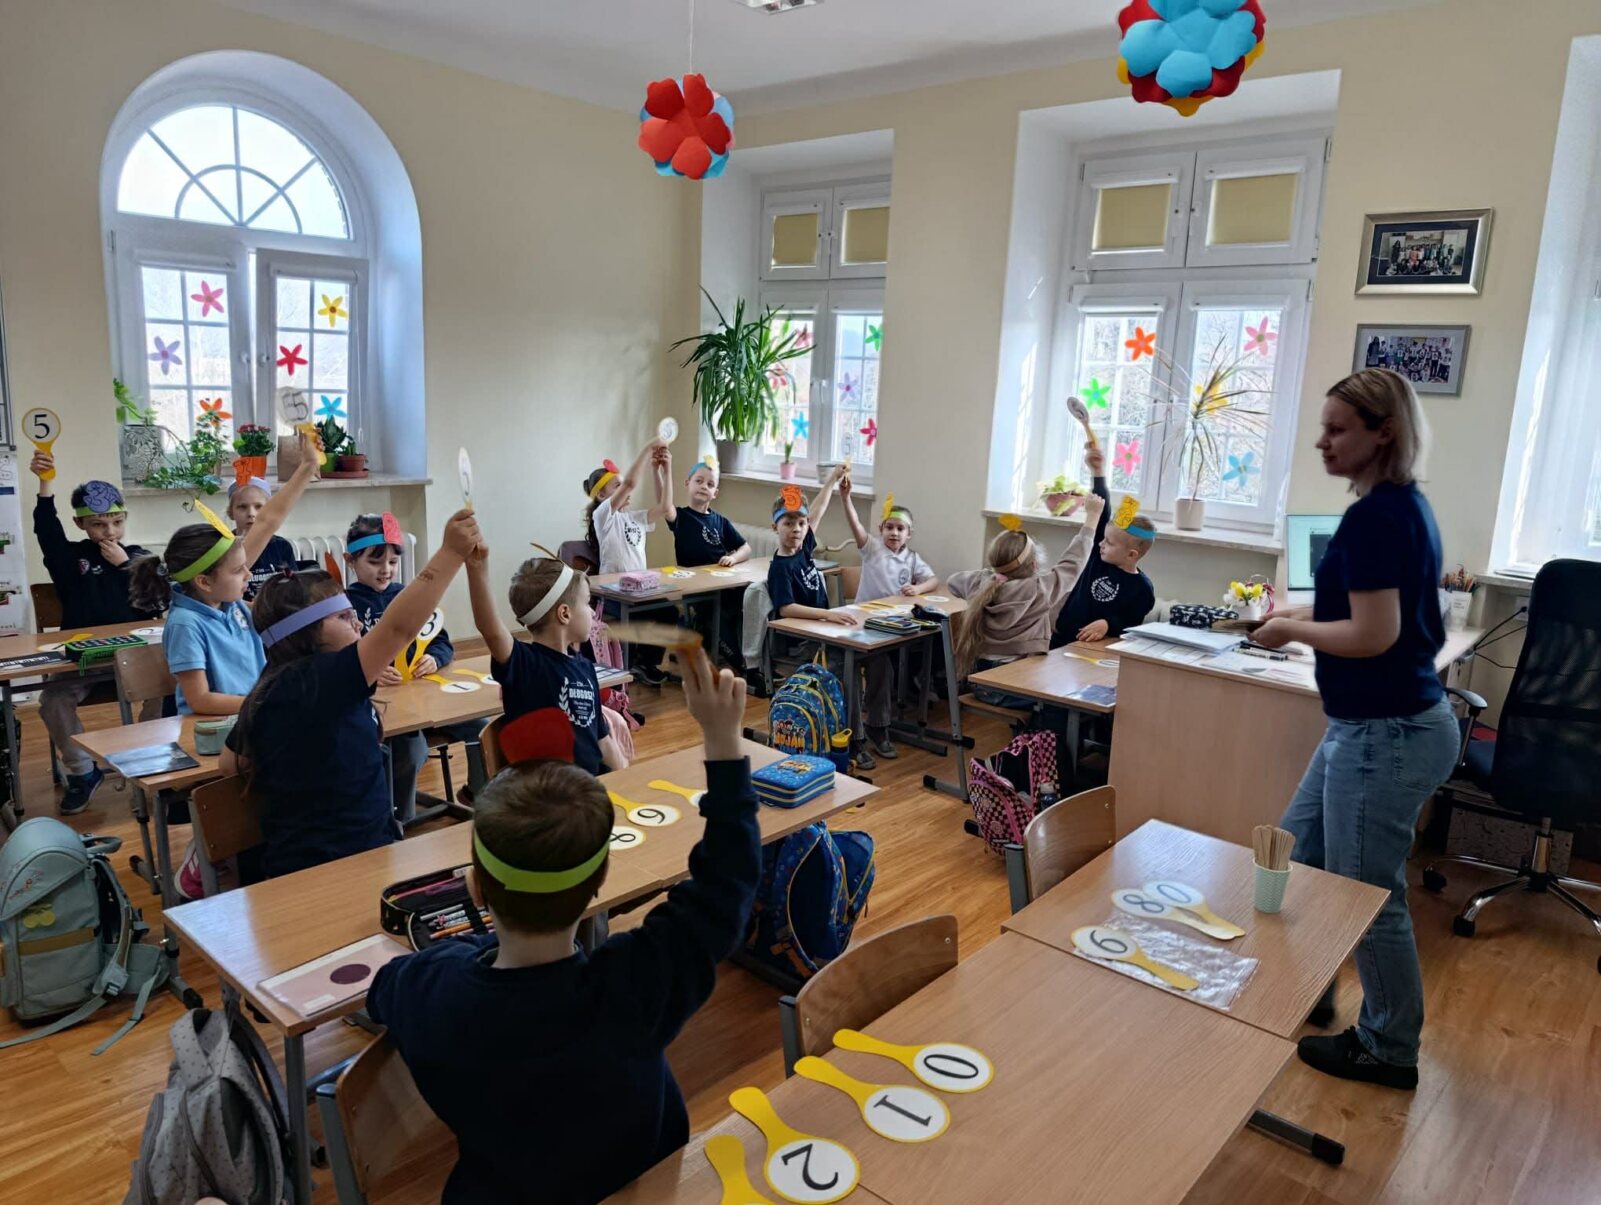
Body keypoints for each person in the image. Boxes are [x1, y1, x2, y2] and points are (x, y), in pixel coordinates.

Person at [368, 646, 759, 1204]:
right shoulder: (635, 988)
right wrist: (723, 743)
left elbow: (385, 988)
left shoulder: (431, 988)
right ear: (599, 883)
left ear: (476, 886)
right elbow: (727, 884)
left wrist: (465, 951)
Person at [1252, 368, 1458, 1090]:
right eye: (1323, 427)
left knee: (1367, 896)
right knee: (1296, 853)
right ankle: (1307, 987)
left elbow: (1374, 634)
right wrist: (1291, 616)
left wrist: (1290, 632)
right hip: (1373, 727)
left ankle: (1388, 1045)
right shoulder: (1399, 507)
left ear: (1383, 432)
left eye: (1337, 429)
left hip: (1384, 733)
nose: (1322, 442)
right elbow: (1368, 616)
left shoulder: (1376, 518)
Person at [220, 509, 483, 877]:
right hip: (331, 866)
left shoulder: (279, 679)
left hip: (357, 852)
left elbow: (230, 763)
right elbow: (399, 629)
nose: (357, 623)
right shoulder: (315, 680)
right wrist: (451, 553)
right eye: (344, 617)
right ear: (305, 632)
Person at [131, 433, 321, 716]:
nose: (248, 574)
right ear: (204, 582)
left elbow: (268, 521)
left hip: (249, 718)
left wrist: (308, 466)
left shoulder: (231, 605)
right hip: (212, 727)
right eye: (237, 570)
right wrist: (269, 703)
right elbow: (201, 701)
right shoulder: (186, 624)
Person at [30, 461, 159, 812]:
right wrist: (45, 485)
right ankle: (83, 771)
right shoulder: (71, 559)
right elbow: (47, 532)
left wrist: (126, 566)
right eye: (99, 524)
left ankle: (150, 755)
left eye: (116, 522)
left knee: (170, 685)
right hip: (83, 663)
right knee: (52, 700)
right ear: (81, 524)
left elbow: (158, 601)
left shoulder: (139, 558)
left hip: (133, 660)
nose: (109, 532)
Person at [343, 512, 489, 821]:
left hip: (424, 698)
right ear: (350, 561)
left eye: (393, 562)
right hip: (386, 709)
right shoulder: (344, 605)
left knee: (480, 726)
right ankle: (400, 818)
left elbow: (441, 641)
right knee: (411, 750)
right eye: (375, 562)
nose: (385, 570)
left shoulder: (408, 596)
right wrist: (368, 670)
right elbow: (342, 656)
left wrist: (435, 658)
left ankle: (478, 793)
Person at [467, 549, 626, 775]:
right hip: (544, 790)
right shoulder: (524, 663)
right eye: (587, 603)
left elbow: (603, 741)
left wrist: (625, 776)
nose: (592, 613)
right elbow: (489, 628)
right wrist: (477, 568)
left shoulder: (586, 668)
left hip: (590, 786)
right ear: (564, 614)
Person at [948, 494, 1105, 681]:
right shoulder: (1039, 590)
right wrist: (1092, 517)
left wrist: (990, 575)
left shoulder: (979, 582)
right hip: (1018, 682)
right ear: (1034, 565)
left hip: (978, 680)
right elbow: (1074, 561)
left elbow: (952, 582)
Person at [839, 480, 937, 759]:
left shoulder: (911, 558)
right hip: (862, 624)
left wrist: (918, 588)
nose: (894, 533)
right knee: (879, 664)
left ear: (909, 533)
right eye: (889, 527)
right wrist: (846, 498)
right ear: (880, 529)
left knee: (884, 666)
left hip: (891, 626)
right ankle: (867, 728)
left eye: (900, 528)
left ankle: (878, 725)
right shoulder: (871, 548)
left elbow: (933, 580)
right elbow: (855, 524)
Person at [1050, 446, 1156, 647]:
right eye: (1103, 538)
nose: (1101, 543)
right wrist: (1098, 472)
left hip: (1095, 648)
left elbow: (1131, 621)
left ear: (1131, 554)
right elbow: (1102, 513)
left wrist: (1108, 624)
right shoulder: (1098, 558)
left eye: (1109, 542)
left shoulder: (1142, 589)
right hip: (1061, 639)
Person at [584, 440, 671, 685]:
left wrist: (662, 469)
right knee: (637, 617)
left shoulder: (635, 518)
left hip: (640, 591)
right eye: (617, 486)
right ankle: (629, 664)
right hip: (613, 594)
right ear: (601, 495)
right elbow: (632, 482)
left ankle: (646, 662)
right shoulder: (603, 516)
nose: (626, 489)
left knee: (669, 612)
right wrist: (648, 448)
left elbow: (665, 507)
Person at [663, 452, 750, 666]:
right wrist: (665, 469)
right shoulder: (681, 517)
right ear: (687, 483)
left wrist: (733, 558)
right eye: (699, 481)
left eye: (710, 484)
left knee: (751, 597)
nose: (704, 486)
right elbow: (666, 507)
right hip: (698, 588)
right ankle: (739, 663)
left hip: (723, 584)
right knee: (713, 612)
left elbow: (745, 548)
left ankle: (753, 658)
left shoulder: (720, 521)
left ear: (715, 493)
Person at [228, 477, 301, 600]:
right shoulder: (224, 547)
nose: (251, 514)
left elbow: (294, 588)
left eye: (258, 507)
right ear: (230, 512)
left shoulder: (282, 546)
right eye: (242, 507)